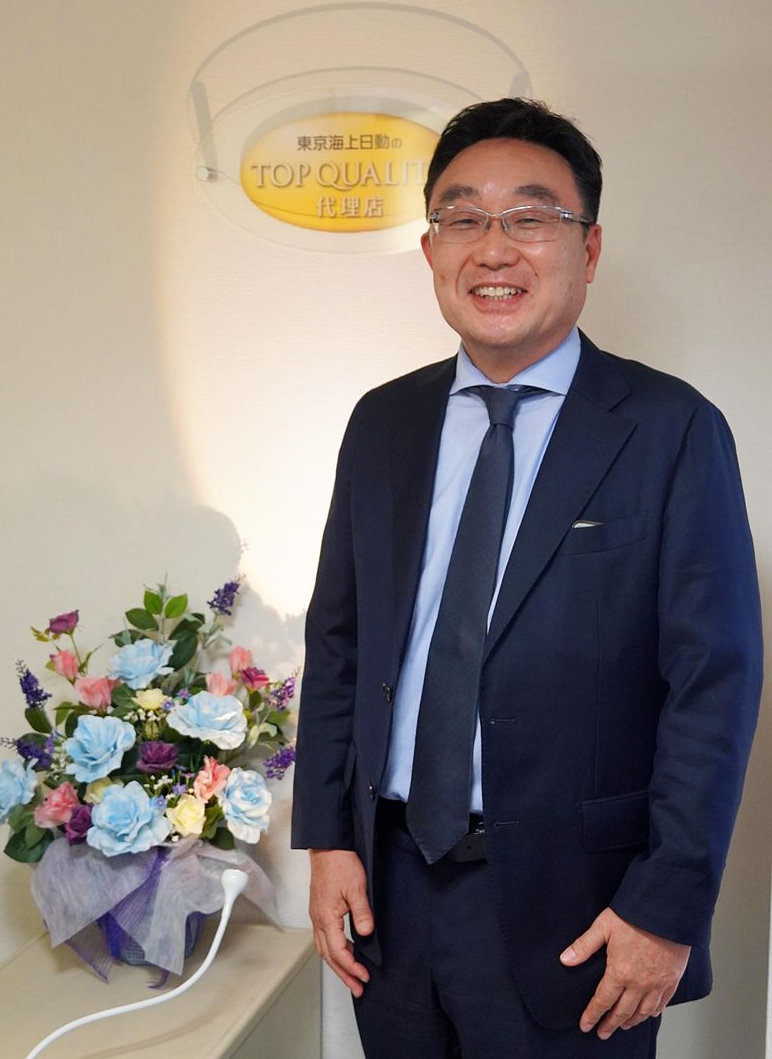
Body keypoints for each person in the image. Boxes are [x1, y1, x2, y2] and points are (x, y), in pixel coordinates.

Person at [291, 98, 762, 1058]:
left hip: (580, 909)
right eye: (464, 218)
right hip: (390, 895)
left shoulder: (671, 430)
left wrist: (666, 905)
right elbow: (339, 642)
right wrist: (329, 838)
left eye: (530, 217)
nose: (494, 248)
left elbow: (713, 685)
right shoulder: (382, 423)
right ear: (431, 248)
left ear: (589, 248)